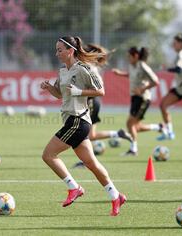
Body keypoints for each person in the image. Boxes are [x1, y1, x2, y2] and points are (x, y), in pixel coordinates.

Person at [40, 36, 126, 216]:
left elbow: (101, 91)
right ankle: (115, 195)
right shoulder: (62, 70)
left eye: (60, 50)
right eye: (56, 50)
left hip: (78, 120)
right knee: (91, 163)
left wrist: (80, 92)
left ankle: (74, 187)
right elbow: (60, 95)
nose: (57, 53)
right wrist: (49, 87)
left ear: (70, 50)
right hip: (73, 121)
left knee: (48, 155)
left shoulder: (84, 69)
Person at [72, 43, 132, 168]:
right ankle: (118, 134)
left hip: (91, 102)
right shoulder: (87, 66)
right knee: (91, 135)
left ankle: (86, 162)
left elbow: (99, 88)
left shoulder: (90, 68)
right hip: (90, 102)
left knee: (84, 135)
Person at [112, 47, 160, 156]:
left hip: (143, 98)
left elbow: (155, 81)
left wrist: (142, 89)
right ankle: (158, 127)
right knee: (135, 126)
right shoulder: (133, 65)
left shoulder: (142, 65)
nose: (128, 58)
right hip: (135, 97)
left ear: (136, 56)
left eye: (129, 56)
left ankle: (133, 149)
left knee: (130, 123)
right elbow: (132, 75)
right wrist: (120, 74)